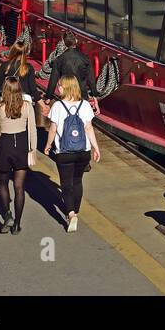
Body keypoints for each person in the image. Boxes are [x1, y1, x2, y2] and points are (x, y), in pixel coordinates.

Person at [44, 76, 100, 233]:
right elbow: (89, 128)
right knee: (77, 181)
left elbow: (53, 129)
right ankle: (76, 210)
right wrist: (96, 148)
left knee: (66, 184)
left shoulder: (57, 106)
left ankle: (71, 215)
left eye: (60, 85)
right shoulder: (85, 106)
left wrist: (48, 145)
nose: (58, 88)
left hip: (64, 152)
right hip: (83, 151)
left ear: (65, 87)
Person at [0, 78, 36, 234]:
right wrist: (32, 149)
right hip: (21, 145)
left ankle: (7, 214)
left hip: (5, 145)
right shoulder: (27, 106)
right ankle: (17, 224)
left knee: (2, 183)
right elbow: (32, 129)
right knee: (19, 186)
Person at [44, 32, 96, 104]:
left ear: (64, 42)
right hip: (82, 94)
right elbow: (91, 80)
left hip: (66, 95)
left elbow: (53, 79)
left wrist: (48, 97)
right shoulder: (85, 58)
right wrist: (94, 97)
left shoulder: (59, 59)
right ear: (76, 41)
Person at [0, 41, 42, 111]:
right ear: (25, 54)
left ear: (12, 51)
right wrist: (42, 104)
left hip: (8, 99)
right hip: (24, 102)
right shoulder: (28, 68)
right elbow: (33, 89)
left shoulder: (5, 66)